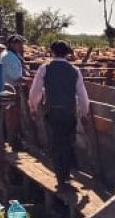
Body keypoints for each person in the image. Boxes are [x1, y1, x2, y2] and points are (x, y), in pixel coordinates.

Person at [28, 40, 90, 186]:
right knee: (68, 142)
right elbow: (82, 95)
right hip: (69, 112)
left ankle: (60, 177)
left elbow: (35, 91)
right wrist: (84, 113)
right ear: (67, 53)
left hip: (52, 111)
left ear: (52, 52)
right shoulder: (74, 70)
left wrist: (33, 107)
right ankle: (66, 175)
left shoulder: (45, 68)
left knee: (56, 143)